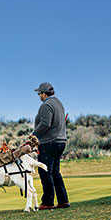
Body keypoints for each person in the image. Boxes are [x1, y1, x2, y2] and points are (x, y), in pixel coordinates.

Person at [32, 82, 70, 210]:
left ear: (43, 93)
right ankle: (63, 201)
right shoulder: (59, 103)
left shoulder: (46, 105)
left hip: (49, 143)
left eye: (39, 93)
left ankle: (48, 202)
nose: (39, 96)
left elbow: (45, 123)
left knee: (45, 172)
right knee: (55, 172)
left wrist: (34, 134)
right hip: (61, 141)